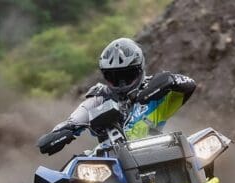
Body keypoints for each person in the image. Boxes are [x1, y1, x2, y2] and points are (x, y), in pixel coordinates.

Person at [37, 38, 196, 155]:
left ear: (139, 69)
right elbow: (74, 120)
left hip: (156, 152)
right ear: (105, 76)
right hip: (112, 161)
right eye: (114, 77)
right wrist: (61, 134)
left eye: (126, 75)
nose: (121, 83)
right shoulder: (98, 97)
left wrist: (168, 81)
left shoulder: (154, 89)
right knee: (74, 173)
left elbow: (189, 84)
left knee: (196, 155)